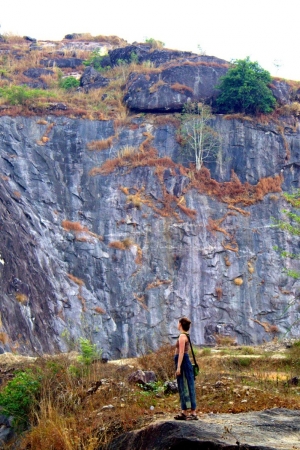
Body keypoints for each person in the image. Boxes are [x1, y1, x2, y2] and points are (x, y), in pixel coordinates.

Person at [174, 317, 198, 420]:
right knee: (182, 386)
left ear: (180, 324)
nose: (177, 324)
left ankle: (193, 413)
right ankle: (184, 412)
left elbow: (181, 353)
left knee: (188, 385)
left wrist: (178, 367)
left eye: (178, 322)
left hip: (183, 362)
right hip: (182, 362)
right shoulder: (183, 336)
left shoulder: (182, 336)